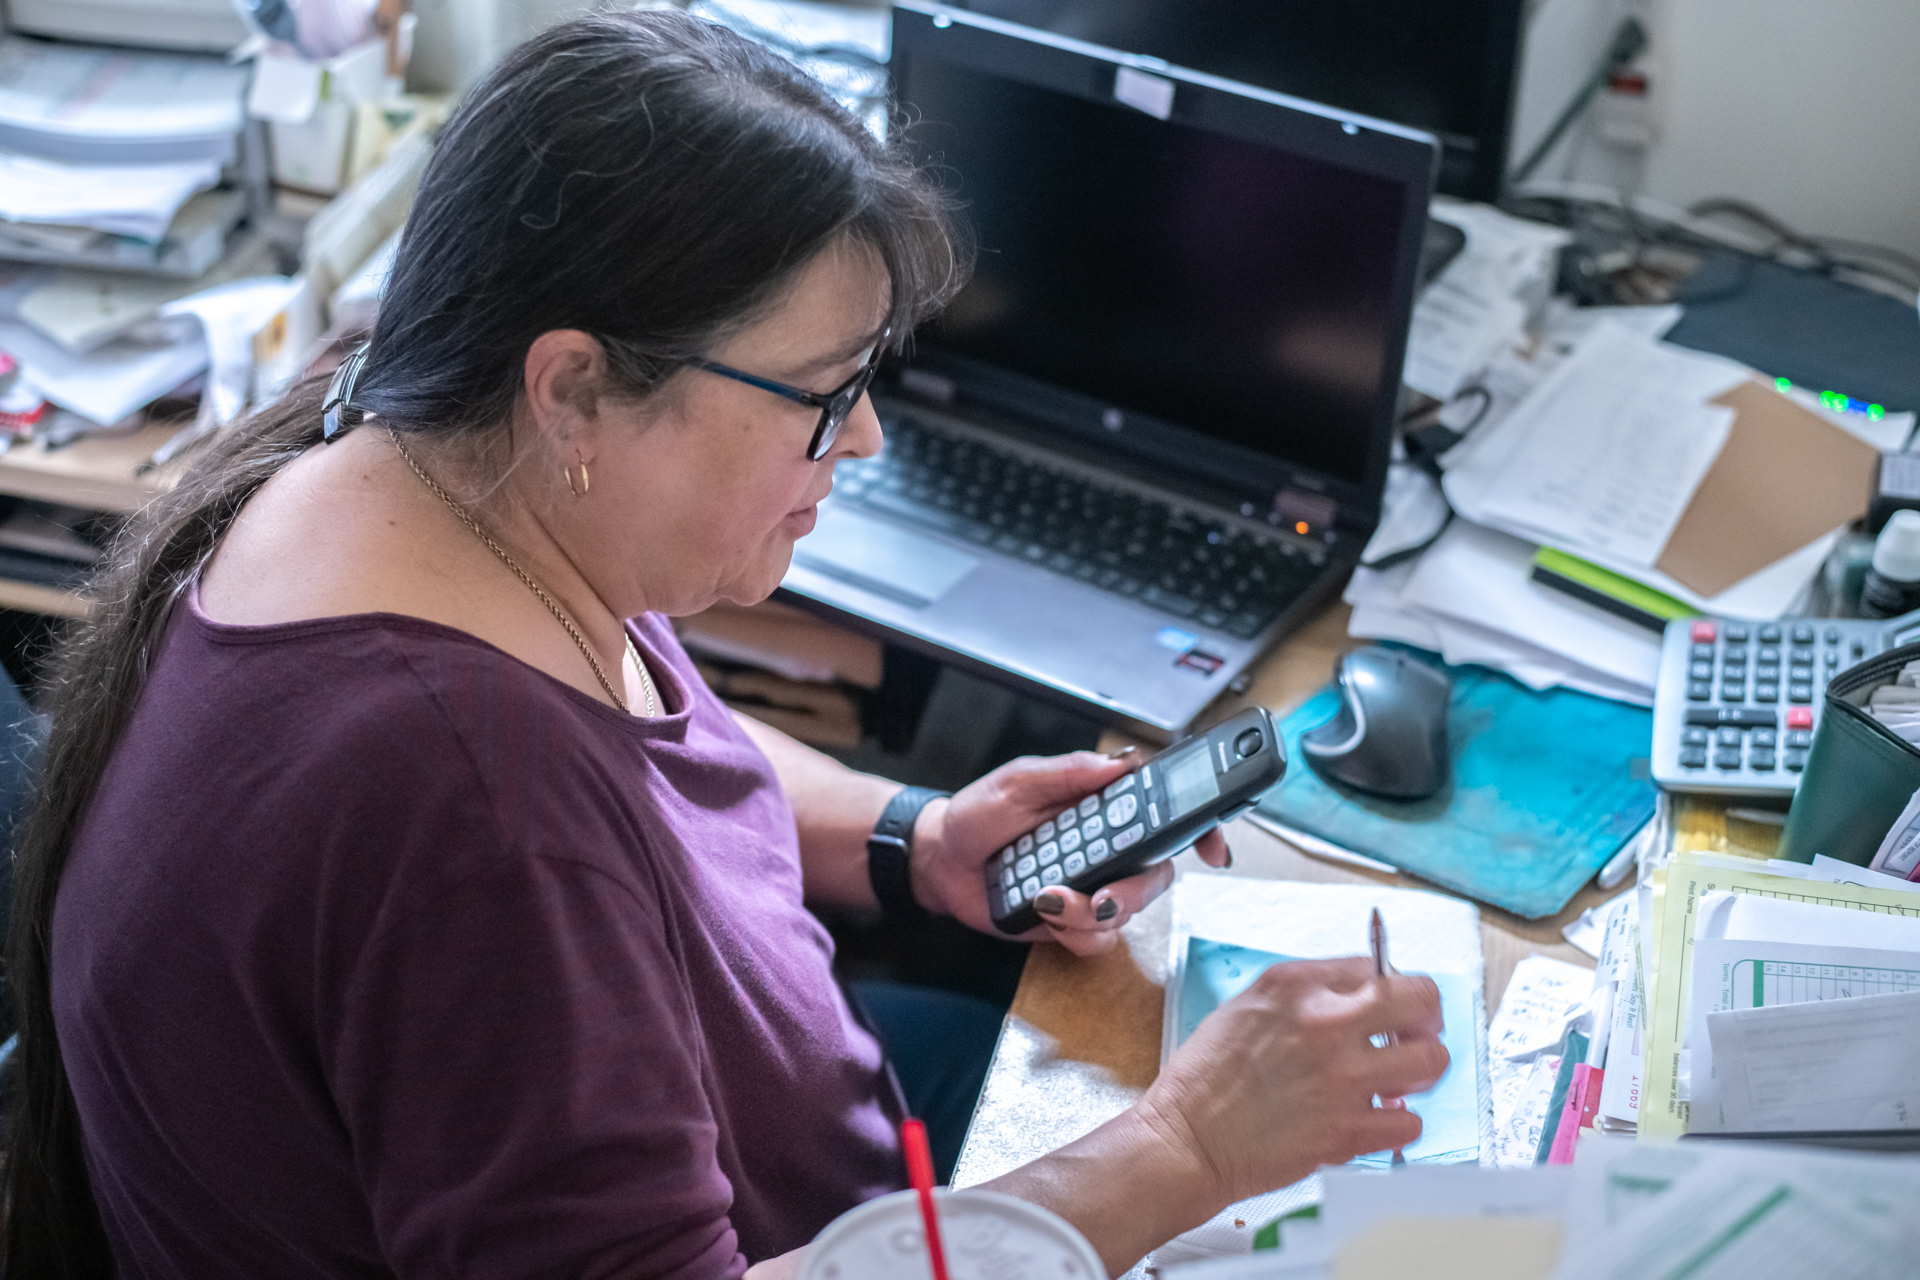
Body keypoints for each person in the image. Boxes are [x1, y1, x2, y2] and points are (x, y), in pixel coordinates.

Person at [4, 12, 1446, 1279]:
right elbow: (541, 826)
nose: (865, 437)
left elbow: (640, 729)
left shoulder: (405, 469)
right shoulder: (470, 821)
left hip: (803, 1121)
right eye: (822, 394)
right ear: (574, 386)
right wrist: (1187, 1144)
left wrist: (917, 834)